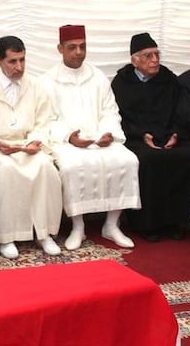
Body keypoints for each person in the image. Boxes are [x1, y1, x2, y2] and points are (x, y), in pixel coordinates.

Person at [39, 24, 140, 250]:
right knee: (72, 167)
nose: (78, 52)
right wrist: (70, 137)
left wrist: (108, 134)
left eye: (83, 47)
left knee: (127, 160)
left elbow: (110, 111)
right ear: (60, 49)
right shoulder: (47, 81)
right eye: (72, 47)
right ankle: (78, 227)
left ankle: (111, 225)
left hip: (99, 138)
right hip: (66, 142)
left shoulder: (98, 77)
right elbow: (46, 119)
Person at [0, 36, 63, 259]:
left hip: (28, 146)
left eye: (22, 60)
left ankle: (44, 233)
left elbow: (45, 120)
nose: (19, 67)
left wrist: (36, 140)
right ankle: (5, 236)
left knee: (45, 168)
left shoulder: (36, 86)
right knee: (4, 172)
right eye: (12, 61)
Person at [110, 32, 190, 242]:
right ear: (135, 60)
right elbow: (117, 116)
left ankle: (176, 221)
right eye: (148, 56)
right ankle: (146, 224)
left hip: (169, 135)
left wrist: (176, 133)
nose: (155, 60)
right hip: (137, 137)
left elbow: (183, 110)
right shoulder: (122, 82)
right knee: (148, 160)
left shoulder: (168, 79)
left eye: (157, 54)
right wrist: (142, 135)